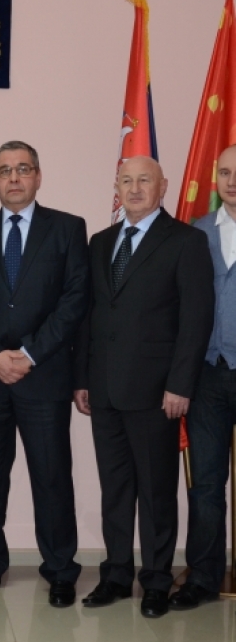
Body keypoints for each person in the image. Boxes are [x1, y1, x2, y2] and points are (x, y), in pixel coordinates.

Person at [73, 156, 214, 618]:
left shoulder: (186, 241)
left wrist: (180, 384)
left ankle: (155, 580)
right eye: (126, 181)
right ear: (117, 187)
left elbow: (195, 320)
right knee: (115, 489)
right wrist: (82, 378)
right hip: (103, 388)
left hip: (157, 392)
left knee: (156, 491)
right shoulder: (101, 241)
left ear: (163, 186)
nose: (134, 189)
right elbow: (89, 315)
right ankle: (116, 574)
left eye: (144, 180)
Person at [0, 140, 89, 607]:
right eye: (4, 170)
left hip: (44, 376)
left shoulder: (68, 229)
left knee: (52, 478)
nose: (14, 178)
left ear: (38, 176)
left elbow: (75, 299)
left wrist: (29, 354)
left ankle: (61, 569)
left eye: (23, 169)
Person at [169, 145, 236, 610]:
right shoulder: (195, 232)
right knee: (207, 484)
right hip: (209, 376)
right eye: (225, 173)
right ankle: (204, 577)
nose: (233, 181)